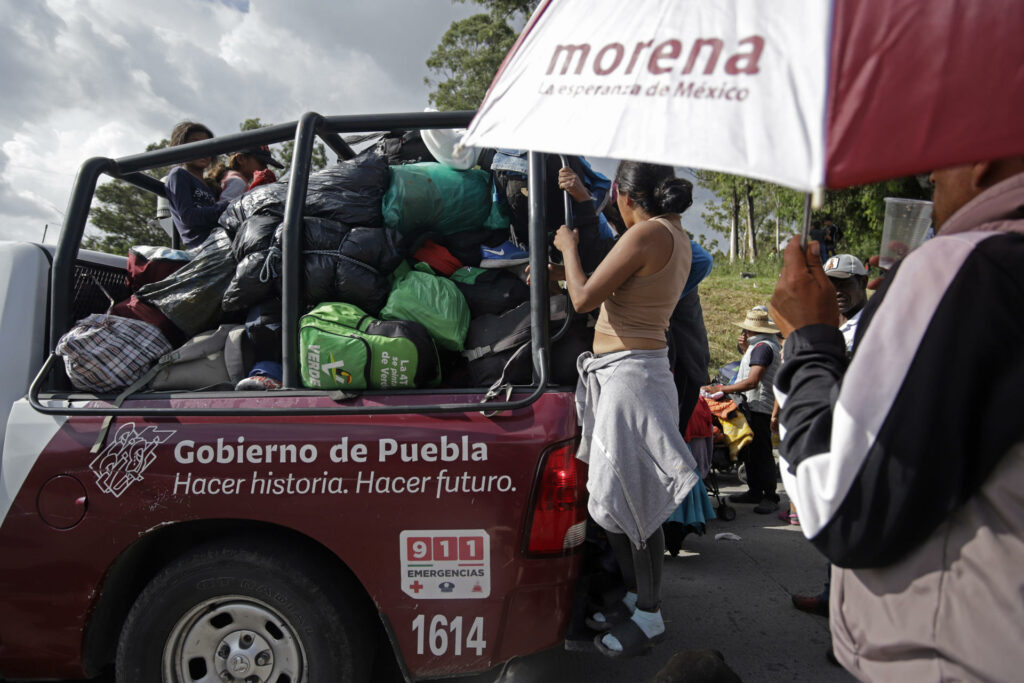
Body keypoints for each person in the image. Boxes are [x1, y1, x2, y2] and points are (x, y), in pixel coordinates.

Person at [770, 154, 1024, 681]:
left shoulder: (963, 267)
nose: (930, 176)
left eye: (946, 157)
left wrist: (809, 341)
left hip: (954, 655)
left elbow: (843, 506)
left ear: (986, 158)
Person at [555, 160, 698, 658]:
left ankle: (650, 614)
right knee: (632, 503)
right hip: (636, 372)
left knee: (629, 506)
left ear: (625, 195)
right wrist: (566, 270)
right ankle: (641, 599)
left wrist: (569, 250)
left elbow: (584, 299)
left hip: (630, 378)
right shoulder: (672, 233)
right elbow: (618, 289)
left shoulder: (645, 235)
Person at [702, 308, 781, 514]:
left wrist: (719, 389)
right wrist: (745, 350)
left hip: (759, 407)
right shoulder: (758, 347)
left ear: (752, 330)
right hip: (752, 405)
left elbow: (752, 381)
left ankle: (770, 496)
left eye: (746, 330)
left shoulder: (763, 348)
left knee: (762, 452)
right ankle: (755, 491)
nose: (744, 333)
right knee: (750, 450)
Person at [164, 121, 229, 249]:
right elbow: (189, 216)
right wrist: (227, 206)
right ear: (181, 146)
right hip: (203, 246)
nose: (203, 150)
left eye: (207, 145)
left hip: (220, 239)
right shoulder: (179, 175)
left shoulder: (210, 186)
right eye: (195, 143)